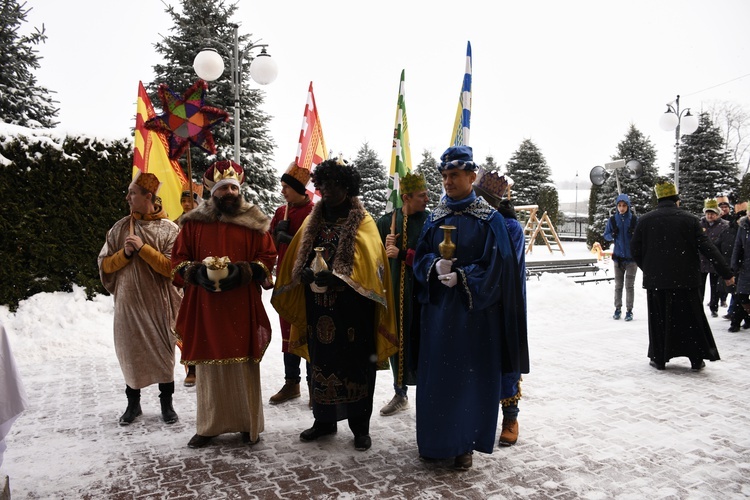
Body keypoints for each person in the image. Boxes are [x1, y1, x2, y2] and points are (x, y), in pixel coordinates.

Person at [271, 158, 398, 452]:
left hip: (354, 310)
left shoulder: (362, 220)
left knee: (355, 366)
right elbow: (297, 255)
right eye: (323, 184)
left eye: (334, 185)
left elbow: (371, 264)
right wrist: (300, 271)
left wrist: (340, 277)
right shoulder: (313, 218)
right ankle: (324, 421)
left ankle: (360, 428)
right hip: (319, 307)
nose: (326, 190)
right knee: (321, 362)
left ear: (347, 187)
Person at [413, 146, 527, 469]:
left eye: (454, 175)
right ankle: (434, 441)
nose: (448, 182)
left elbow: (499, 268)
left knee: (467, 380)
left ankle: (464, 444)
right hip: (437, 316)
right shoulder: (435, 218)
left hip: (473, 317)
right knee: (437, 378)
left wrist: (464, 278)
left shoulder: (490, 221)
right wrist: (433, 268)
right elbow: (420, 258)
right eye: (445, 176)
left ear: (471, 176)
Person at [171, 160, 277, 448]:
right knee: (209, 366)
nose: (228, 192)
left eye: (233, 187)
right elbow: (177, 260)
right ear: (212, 192)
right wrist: (196, 273)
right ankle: (208, 426)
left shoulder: (255, 222)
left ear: (239, 189)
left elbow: (268, 258)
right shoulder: (193, 223)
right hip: (206, 307)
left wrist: (245, 271)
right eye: (222, 188)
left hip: (241, 304)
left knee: (244, 363)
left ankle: (248, 424)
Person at [97, 171, 182, 426]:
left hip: (159, 306)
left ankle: (167, 405)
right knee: (130, 353)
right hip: (128, 305)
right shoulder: (120, 228)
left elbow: (171, 268)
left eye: (132, 193)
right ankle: (133, 405)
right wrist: (125, 253)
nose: (127, 198)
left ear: (149, 196)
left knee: (164, 353)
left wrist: (143, 250)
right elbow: (105, 266)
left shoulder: (170, 229)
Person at [630, 180, 734, 371]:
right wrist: (726, 273)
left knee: (659, 319)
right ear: (676, 200)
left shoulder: (645, 220)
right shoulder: (689, 219)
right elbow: (708, 248)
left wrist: (651, 269)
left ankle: (659, 358)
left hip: (658, 282)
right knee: (690, 319)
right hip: (686, 280)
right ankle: (696, 358)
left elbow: (635, 250)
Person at [472, 168, 529, 448]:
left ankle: (510, 418)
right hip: (478, 302)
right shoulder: (474, 221)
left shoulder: (509, 226)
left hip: (506, 304)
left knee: (507, 360)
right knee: (480, 360)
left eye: (481, 199)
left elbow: (502, 264)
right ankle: (477, 416)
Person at [375, 172, 429, 416]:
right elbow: (372, 255)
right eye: (422, 195)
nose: (427, 199)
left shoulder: (430, 221)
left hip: (422, 295)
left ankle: (429, 392)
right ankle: (400, 393)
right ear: (406, 197)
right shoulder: (387, 222)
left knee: (421, 341)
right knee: (398, 340)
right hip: (395, 293)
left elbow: (433, 258)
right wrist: (382, 247)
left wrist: (403, 252)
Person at [267, 162, 314, 405]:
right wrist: (277, 235)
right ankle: (291, 383)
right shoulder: (280, 212)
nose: (283, 191)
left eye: (286, 187)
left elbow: (317, 248)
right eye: (282, 186)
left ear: (299, 188)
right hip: (285, 280)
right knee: (287, 330)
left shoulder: (315, 212)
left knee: (307, 330)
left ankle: (312, 386)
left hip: (306, 282)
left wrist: (290, 238)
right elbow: (271, 247)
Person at [175, 181, 203, 387]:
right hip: (185, 281)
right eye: (183, 200)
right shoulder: (175, 223)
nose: (186, 204)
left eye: (189, 200)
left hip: (205, 279)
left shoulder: (205, 223)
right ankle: (191, 367)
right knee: (190, 325)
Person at [603, 193, 639, 321]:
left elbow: (641, 237)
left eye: (624, 205)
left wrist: (635, 234)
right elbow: (605, 235)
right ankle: (617, 308)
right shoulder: (613, 220)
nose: (622, 208)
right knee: (618, 286)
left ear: (628, 206)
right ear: (617, 206)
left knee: (629, 286)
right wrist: (612, 234)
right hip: (618, 259)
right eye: (619, 205)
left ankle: (629, 310)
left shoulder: (634, 220)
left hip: (631, 259)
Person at [698, 198, 730, 318]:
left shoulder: (724, 226)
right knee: (700, 286)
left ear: (717, 214)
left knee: (715, 286)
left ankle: (714, 306)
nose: (710, 216)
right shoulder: (699, 224)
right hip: (701, 260)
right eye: (708, 213)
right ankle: (698, 307)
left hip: (716, 261)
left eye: (712, 213)